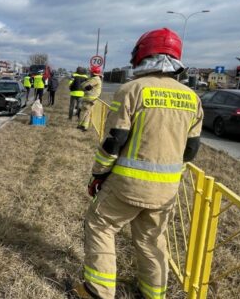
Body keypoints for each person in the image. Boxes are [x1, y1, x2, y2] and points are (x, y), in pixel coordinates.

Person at [73, 28, 203, 299]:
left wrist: (98, 174)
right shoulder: (192, 98)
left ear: (142, 55)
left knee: (100, 225)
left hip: (127, 185)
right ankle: (153, 293)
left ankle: (97, 291)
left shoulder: (132, 90)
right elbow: (190, 151)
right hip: (167, 189)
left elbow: (114, 140)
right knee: (152, 239)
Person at [77, 66, 103, 131]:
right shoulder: (96, 78)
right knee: (87, 112)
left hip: (89, 98)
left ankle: (82, 126)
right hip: (91, 98)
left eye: (91, 71)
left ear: (93, 72)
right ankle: (84, 126)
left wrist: (84, 84)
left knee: (84, 111)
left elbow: (84, 86)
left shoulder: (94, 79)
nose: (90, 72)